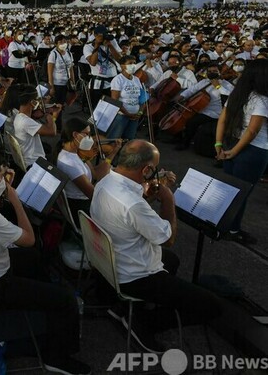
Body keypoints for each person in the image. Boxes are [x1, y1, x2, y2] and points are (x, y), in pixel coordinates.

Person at [0, 149, 90, 375]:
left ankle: (49, 316)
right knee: (65, 298)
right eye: (1, 176)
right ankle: (56, 357)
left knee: (34, 259)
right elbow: (29, 239)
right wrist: (15, 200)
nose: (3, 181)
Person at [91, 140, 222, 352]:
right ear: (146, 170)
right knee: (212, 306)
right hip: (134, 276)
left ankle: (124, 308)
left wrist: (149, 194)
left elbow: (132, 216)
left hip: (109, 261)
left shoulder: (105, 181)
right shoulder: (133, 204)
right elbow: (167, 239)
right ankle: (143, 323)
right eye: (154, 168)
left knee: (172, 261)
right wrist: (168, 198)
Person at [215, 58, 268, 244]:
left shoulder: (237, 94)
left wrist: (219, 144)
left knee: (229, 189)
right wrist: (236, 151)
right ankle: (233, 230)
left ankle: (221, 224)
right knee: (241, 193)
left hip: (230, 143)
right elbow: (252, 131)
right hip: (253, 150)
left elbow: (222, 120)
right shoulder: (262, 99)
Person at [55, 118, 119, 222]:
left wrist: (113, 152)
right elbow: (92, 194)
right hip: (81, 208)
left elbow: (94, 175)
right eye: (87, 134)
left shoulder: (75, 153)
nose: (90, 139)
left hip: (83, 202)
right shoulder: (70, 163)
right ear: (75, 135)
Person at [13, 84, 60, 168]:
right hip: (34, 163)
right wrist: (52, 115)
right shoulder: (26, 121)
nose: (39, 102)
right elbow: (52, 132)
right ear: (32, 102)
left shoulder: (19, 116)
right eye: (37, 99)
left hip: (29, 158)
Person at [105, 55, 144, 141]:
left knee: (129, 139)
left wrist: (140, 112)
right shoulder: (118, 79)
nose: (133, 65)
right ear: (122, 66)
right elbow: (115, 100)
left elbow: (142, 98)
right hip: (121, 115)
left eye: (134, 63)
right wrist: (127, 114)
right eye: (130, 63)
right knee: (114, 139)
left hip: (135, 116)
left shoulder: (136, 79)